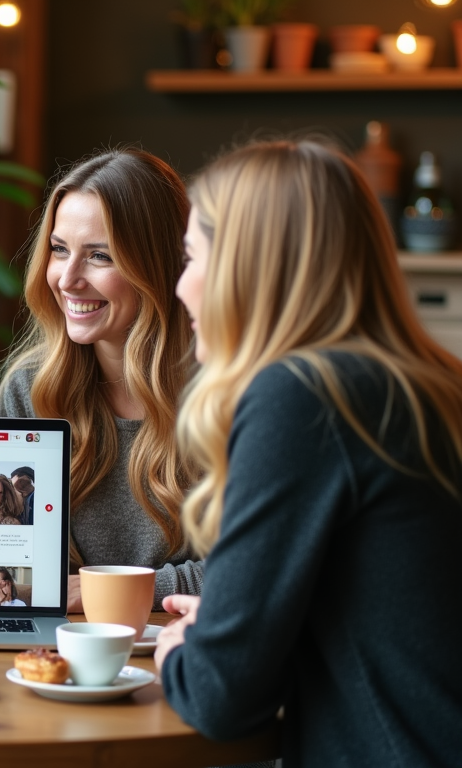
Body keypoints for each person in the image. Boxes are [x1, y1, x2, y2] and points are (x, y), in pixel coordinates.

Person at [156, 140, 462, 767]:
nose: (181, 287)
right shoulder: (429, 384)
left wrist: (183, 650)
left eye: (190, 257)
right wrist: (229, 620)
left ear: (247, 266)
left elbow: (220, 697)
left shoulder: (303, 396)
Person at [0, 149, 201, 611]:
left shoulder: (223, 391)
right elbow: (9, 559)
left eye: (99, 256)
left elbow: (254, 566)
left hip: (186, 644)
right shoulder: (29, 388)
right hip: (60, 645)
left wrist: (103, 591)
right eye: (60, 249)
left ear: (159, 265)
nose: (67, 279)